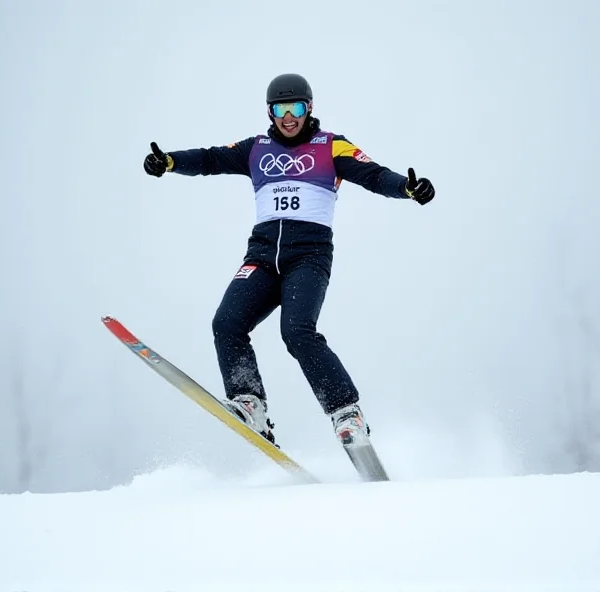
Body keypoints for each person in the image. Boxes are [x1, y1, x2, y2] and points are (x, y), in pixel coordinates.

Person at [143, 73, 435, 448]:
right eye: (280, 109)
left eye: (296, 107)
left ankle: (346, 412)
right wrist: (169, 162)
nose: (289, 117)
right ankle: (250, 404)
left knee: (297, 331)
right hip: (262, 256)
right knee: (227, 323)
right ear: (270, 112)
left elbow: (374, 175)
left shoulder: (331, 146)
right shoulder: (256, 148)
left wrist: (407, 188)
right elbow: (211, 158)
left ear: (309, 108)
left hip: (308, 256)